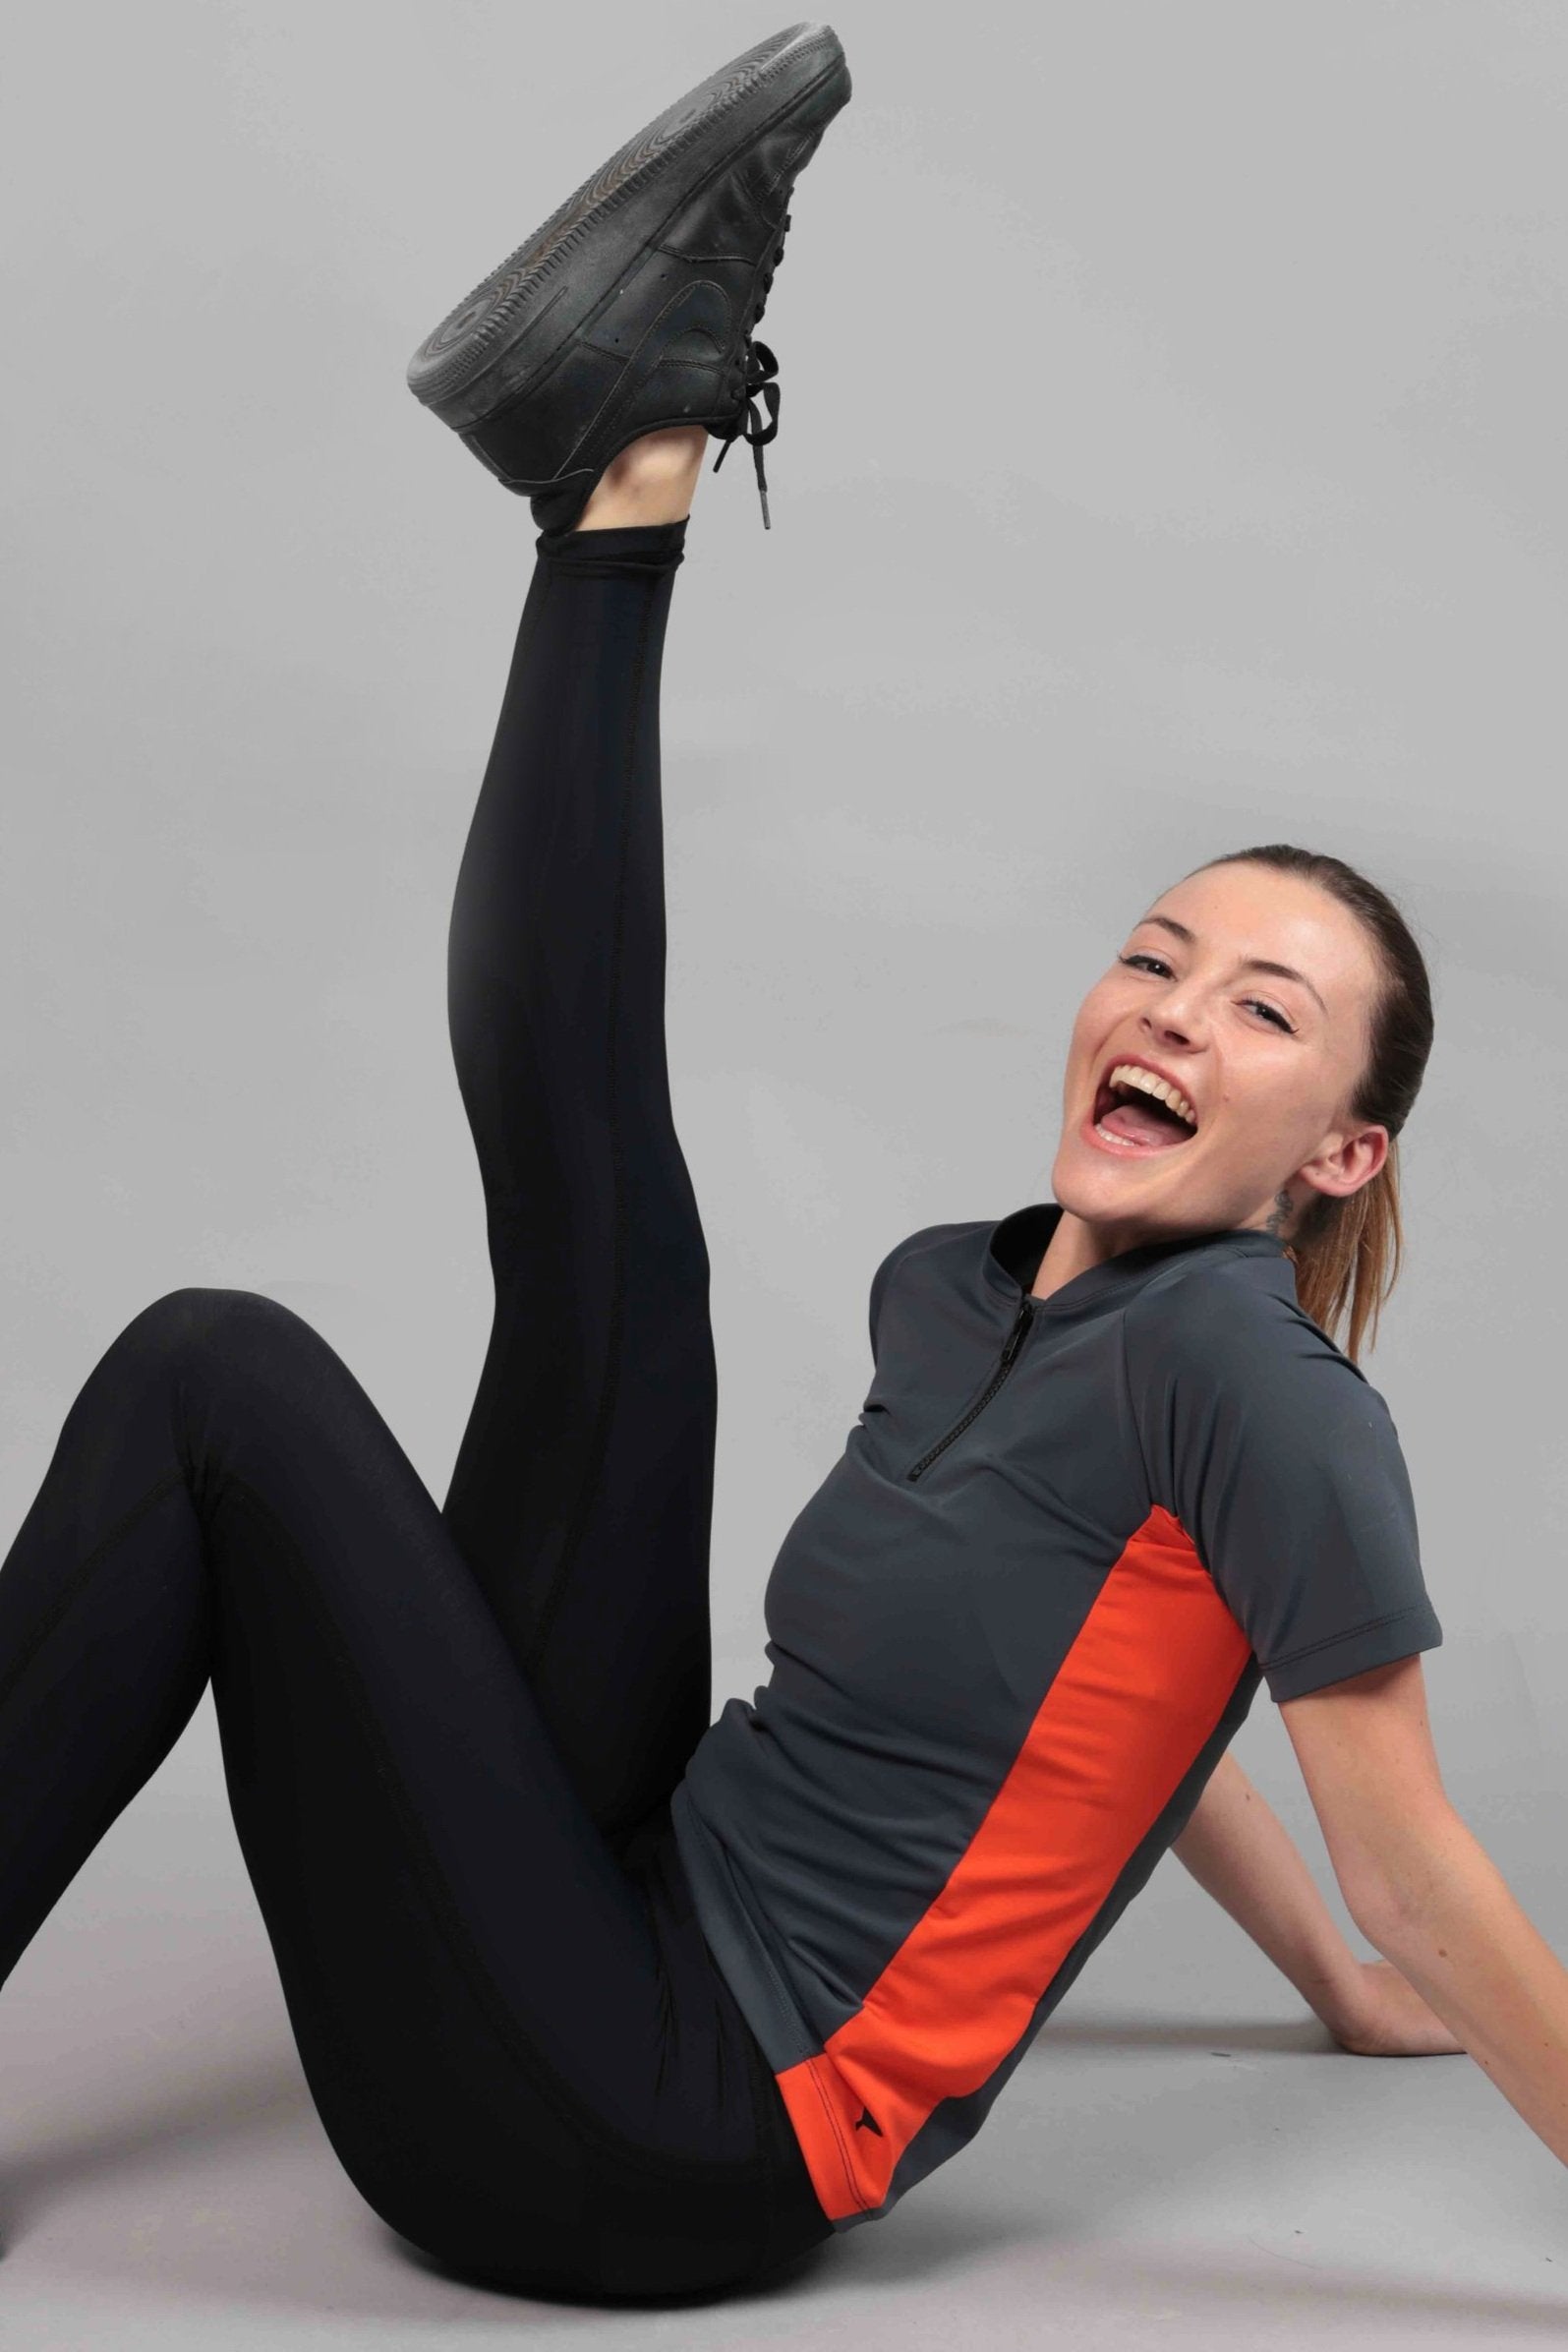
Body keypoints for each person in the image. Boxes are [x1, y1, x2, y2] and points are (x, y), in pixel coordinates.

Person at [4, 16, 1566, 2313]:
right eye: (1157, 956)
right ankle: (618, 476)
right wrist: (1330, 1983)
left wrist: (1389, 1947)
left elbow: (1404, 1842)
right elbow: (1146, 1707)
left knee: (214, 1373)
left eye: (1263, 1008)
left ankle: (621, 476)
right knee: (614, 1254)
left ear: (1342, 1146)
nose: (1172, 1009)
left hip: (655, 2126)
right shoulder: (957, 1288)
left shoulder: (1264, 1388)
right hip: (602, 1907)